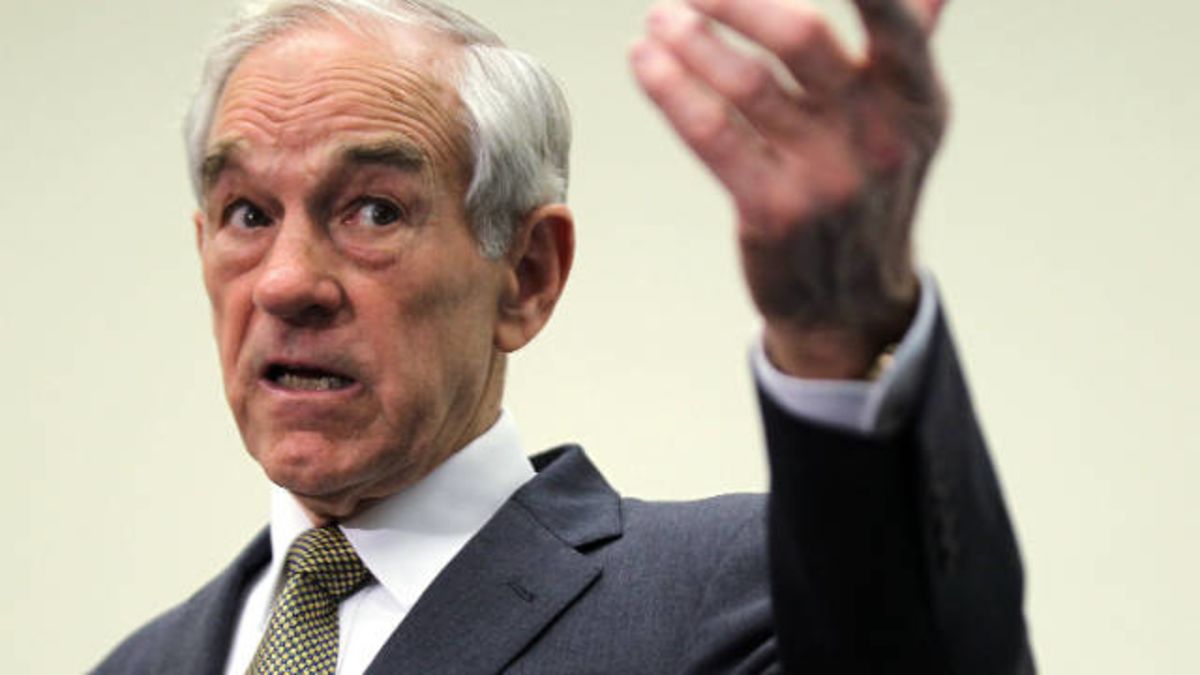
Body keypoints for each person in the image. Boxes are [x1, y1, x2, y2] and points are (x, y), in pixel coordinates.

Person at [94, 0, 1034, 672]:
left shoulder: (738, 594)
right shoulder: (141, 662)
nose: (287, 281)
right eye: (248, 214)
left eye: (375, 209)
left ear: (527, 275)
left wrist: (839, 332)